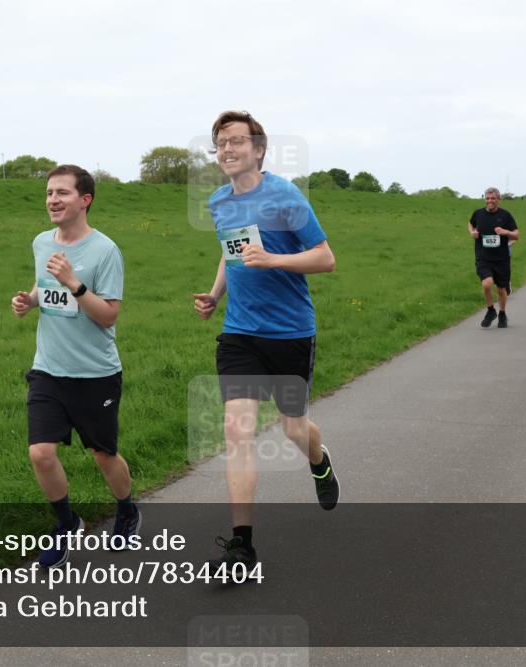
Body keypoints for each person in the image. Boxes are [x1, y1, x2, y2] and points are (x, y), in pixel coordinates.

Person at [193, 110, 339, 575]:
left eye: (236, 141)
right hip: (240, 334)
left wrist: (274, 259)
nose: (227, 149)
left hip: (291, 333)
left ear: (258, 149)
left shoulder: (285, 196)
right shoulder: (219, 201)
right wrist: (216, 295)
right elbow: (230, 249)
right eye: (220, 143)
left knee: (295, 430)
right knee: (237, 431)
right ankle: (241, 545)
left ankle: (319, 461)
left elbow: (325, 258)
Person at [11, 164, 138, 568]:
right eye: (49, 192)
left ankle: (127, 511)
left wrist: (75, 284)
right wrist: (29, 301)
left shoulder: (105, 251)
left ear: (85, 200)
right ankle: (67, 525)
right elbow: (43, 286)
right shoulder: (40, 243)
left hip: (95, 374)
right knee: (40, 453)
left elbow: (109, 315)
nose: (52, 200)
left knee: (103, 455)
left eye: (62, 193)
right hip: (48, 368)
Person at [468, 187, 519, 328]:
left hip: (501, 259)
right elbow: (470, 223)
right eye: (487, 198)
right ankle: (491, 311)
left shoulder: (506, 216)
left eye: (493, 199)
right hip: (483, 258)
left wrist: (505, 232)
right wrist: (472, 232)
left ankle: (502, 313)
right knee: (486, 284)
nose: (489, 201)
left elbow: (516, 235)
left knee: (501, 289)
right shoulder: (478, 214)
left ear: (498, 200)